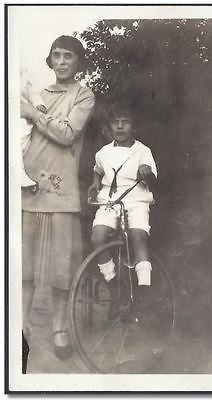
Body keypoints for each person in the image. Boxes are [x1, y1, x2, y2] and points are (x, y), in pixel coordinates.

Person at [21, 35, 95, 360]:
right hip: (28, 188)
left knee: (61, 269)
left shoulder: (84, 96)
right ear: (50, 59)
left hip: (63, 192)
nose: (62, 61)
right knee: (24, 268)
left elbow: (66, 133)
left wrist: (34, 114)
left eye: (69, 56)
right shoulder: (35, 93)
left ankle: (59, 328)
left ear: (78, 62)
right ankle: (20, 325)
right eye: (57, 55)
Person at [88, 103, 157, 319]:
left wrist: (146, 173)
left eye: (125, 122)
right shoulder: (103, 152)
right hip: (110, 200)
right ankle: (113, 282)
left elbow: (152, 176)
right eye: (115, 122)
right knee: (97, 237)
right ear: (109, 127)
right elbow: (98, 171)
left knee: (138, 236)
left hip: (135, 199)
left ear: (133, 127)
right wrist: (94, 183)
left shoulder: (143, 151)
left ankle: (144, 290)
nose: (119, 126)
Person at [20, 68, 47, 188]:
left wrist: (38, 104)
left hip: (20, 117)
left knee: (20, 140)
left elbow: (32, 94)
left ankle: (20, 173)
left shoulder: (23, 79)